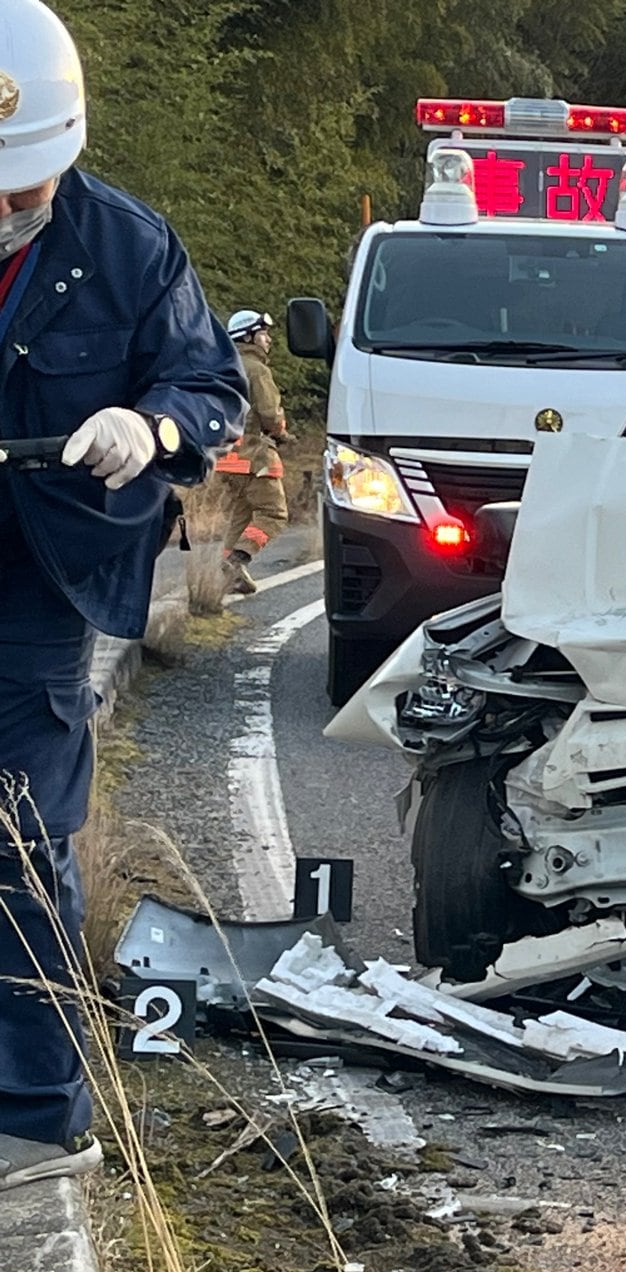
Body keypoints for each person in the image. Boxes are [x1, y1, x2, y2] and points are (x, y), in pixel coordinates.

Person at [0, 0, 246, 1192]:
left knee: (20, 835)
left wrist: (148, 427)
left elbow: (207, 383)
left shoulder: (128, 248)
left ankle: (37, 1114)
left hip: (40, 578)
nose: (7, 210)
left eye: (23, 187)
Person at [214, 309, 291, 595]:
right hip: (254, 456)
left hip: (226, 458)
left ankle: (229, 574)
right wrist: (282, 433)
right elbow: (270, 415)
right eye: (263, 333)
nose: (268, 339)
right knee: (273, 514)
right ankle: (237, 560)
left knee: (242, 515)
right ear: (248, 336)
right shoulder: (256, 369)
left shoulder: (222, 367)